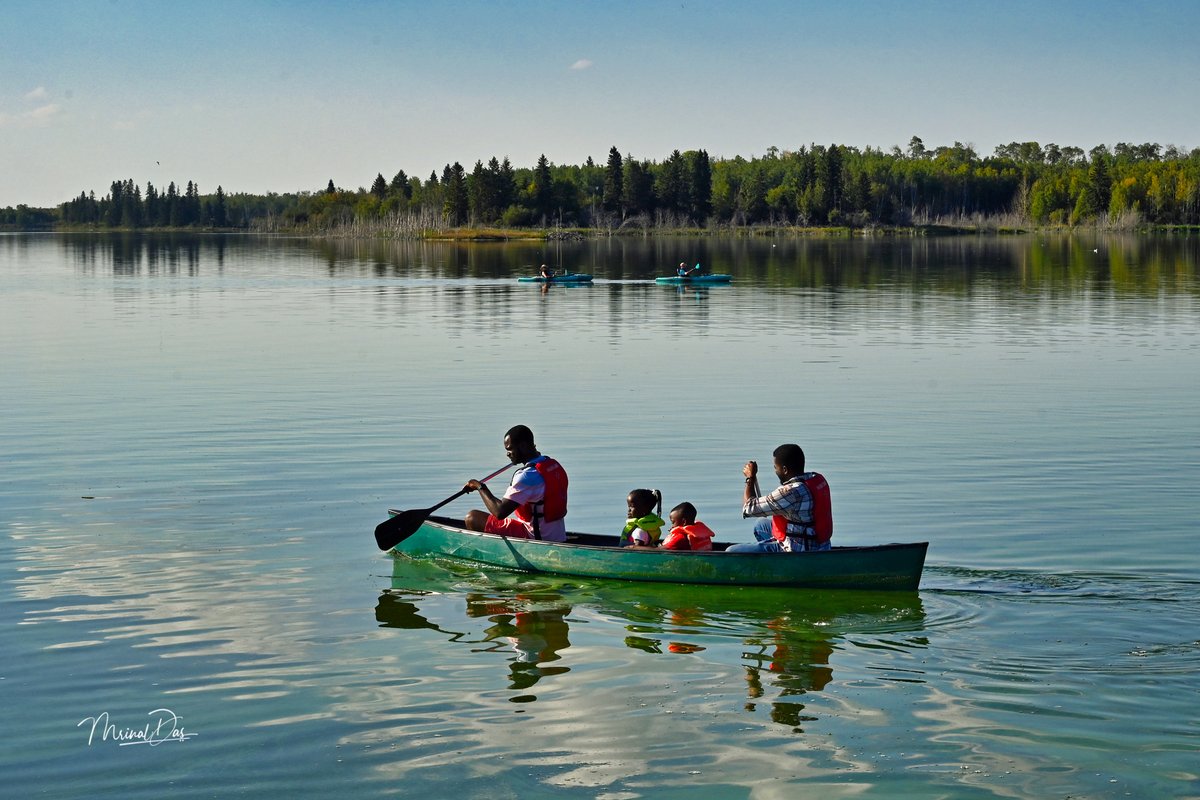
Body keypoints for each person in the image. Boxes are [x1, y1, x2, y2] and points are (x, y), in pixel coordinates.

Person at [463, 425, 568, 542]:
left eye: (509, 449)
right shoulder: (552, 465)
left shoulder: (527, 475)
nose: (508, 454)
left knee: (472, 517)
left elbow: (500, 512)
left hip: (537, 538)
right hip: (558, 536)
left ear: (522, 446)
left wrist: (479, 486)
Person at [726, 444, 832, 553]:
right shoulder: (814, 480)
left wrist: (750, 478)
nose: (775, 471)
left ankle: (776, 559)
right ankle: (767, 554)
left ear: (785, 469)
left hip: (798, 551)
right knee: (761, 524)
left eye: (776, 468)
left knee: (730, 551)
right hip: (820, 545)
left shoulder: (791, 492)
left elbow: (748, 508)